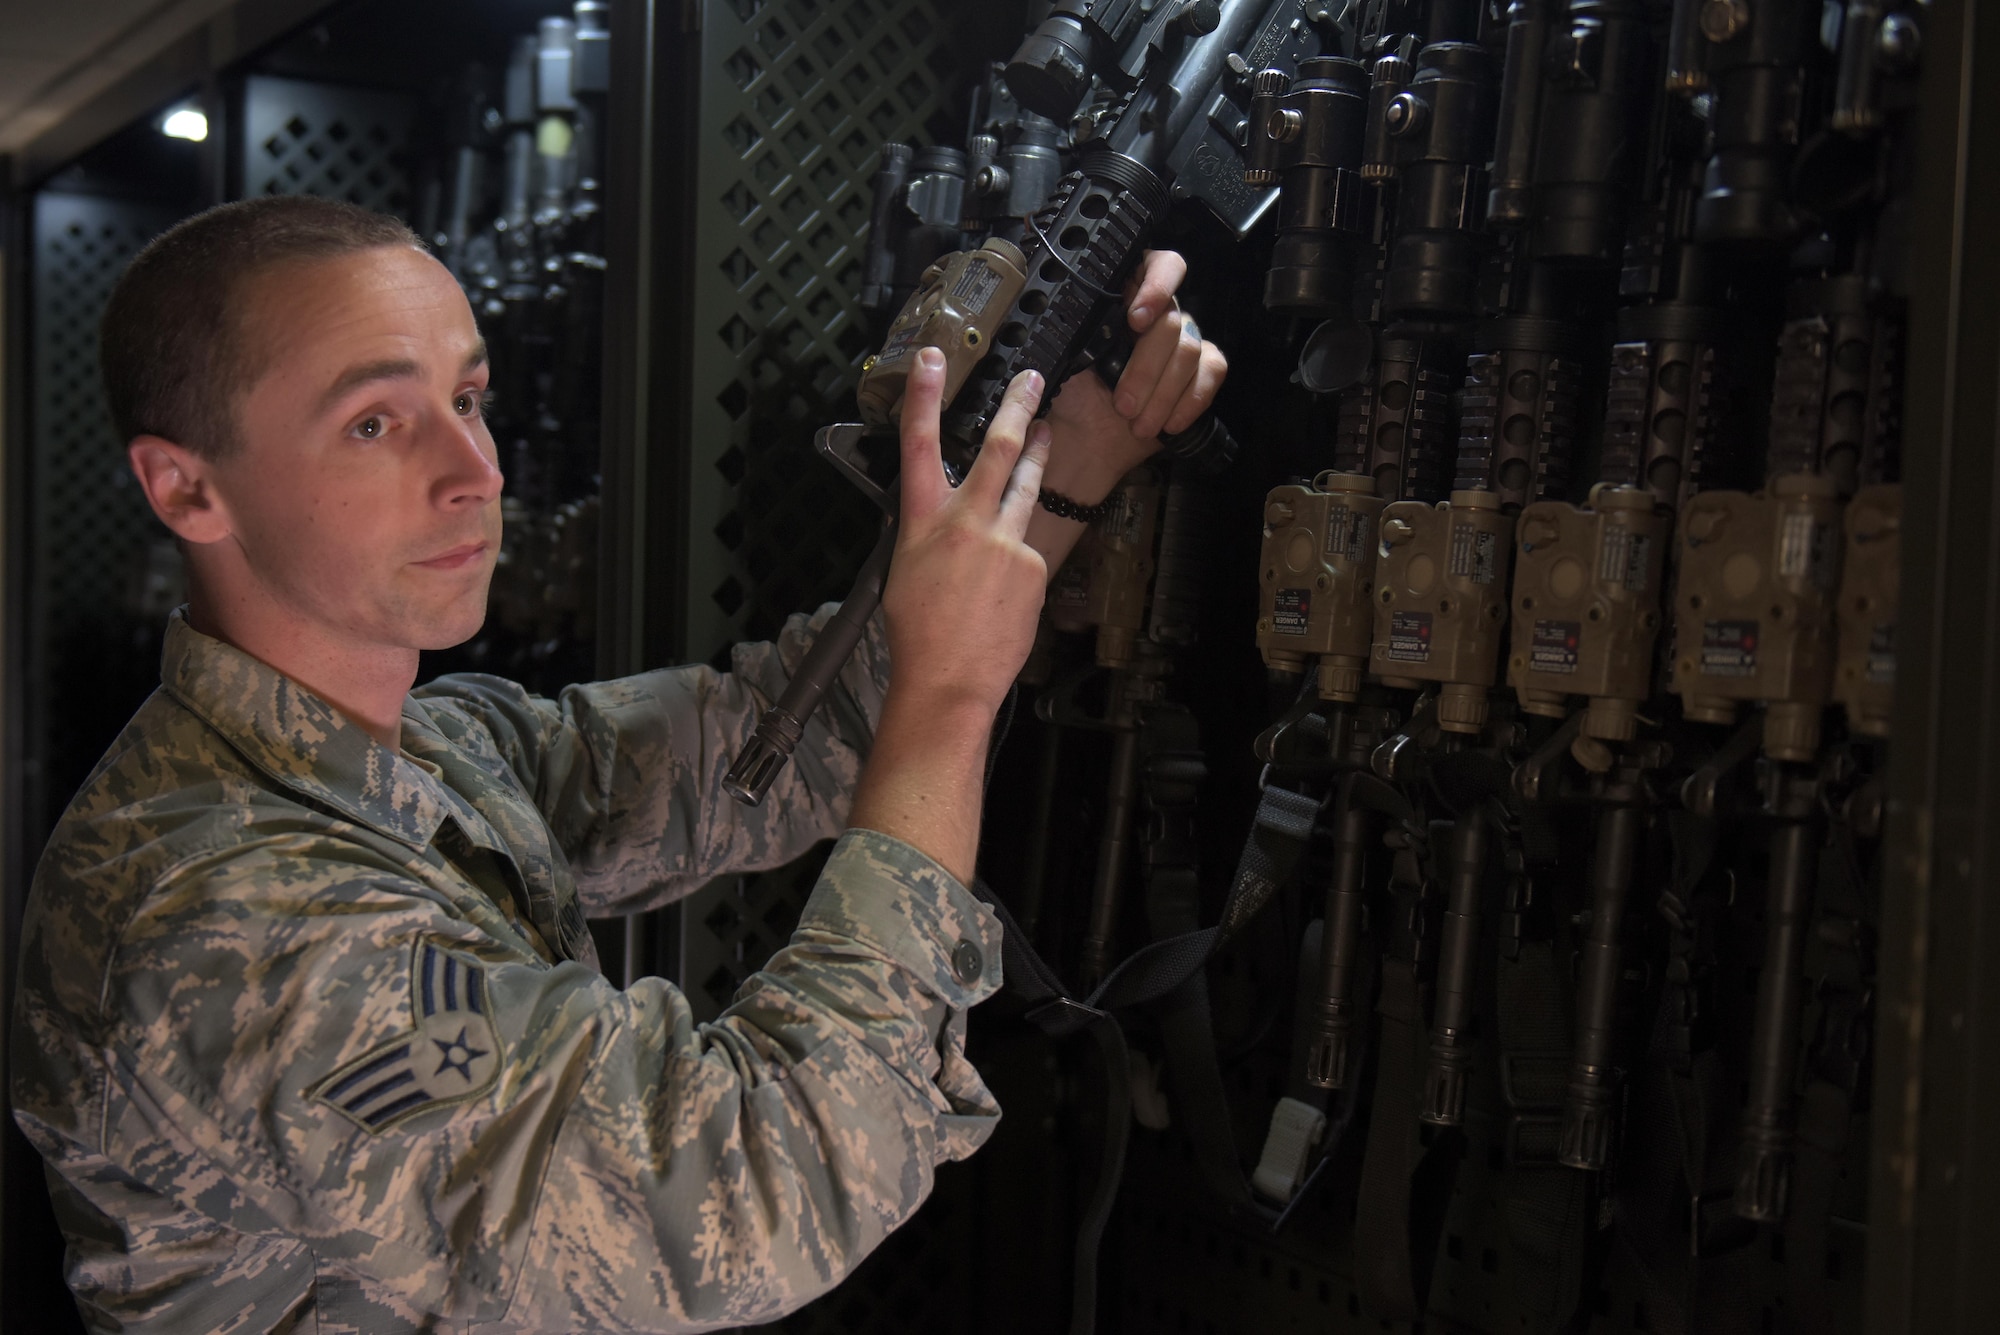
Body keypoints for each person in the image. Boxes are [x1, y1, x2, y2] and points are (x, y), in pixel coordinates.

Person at [10, 195, 1227, 1332]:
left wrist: (1066, 466)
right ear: (186, 488)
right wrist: (950, 694)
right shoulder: (227, 920)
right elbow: (749, 1183)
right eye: (373, 422)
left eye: (470, 400)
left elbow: (771, 744)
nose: (475, 474)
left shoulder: (421, 754)